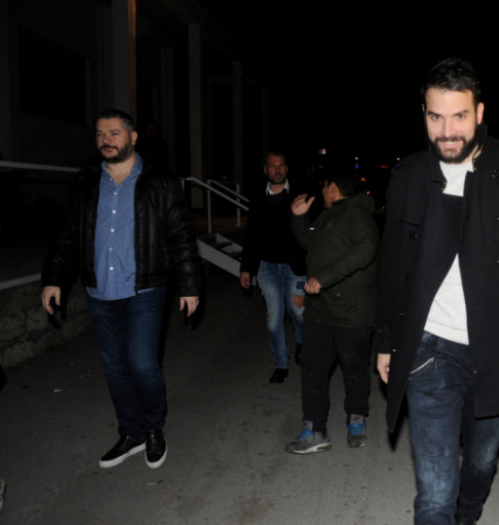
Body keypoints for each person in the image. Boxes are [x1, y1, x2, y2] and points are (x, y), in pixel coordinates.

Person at [374, 58, 499, 525]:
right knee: (435, 491)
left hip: (497, 348)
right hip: (430, 349)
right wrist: (386, 341)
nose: (447, 131)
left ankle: (467, 516)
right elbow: (394, 272)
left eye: (459, 116)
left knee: (482, 462)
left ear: (480, 112)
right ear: (423, 114)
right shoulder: (407, 177)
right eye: (436, 117)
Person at [41, 108, 200, 469]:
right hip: (100, 291)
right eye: (100, 134)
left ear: (133, 138)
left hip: (145, 289)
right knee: (115, 368)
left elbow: (180, 235)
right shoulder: (87, 180)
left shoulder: (159, 181)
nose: (106, 140)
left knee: (142, 364)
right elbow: (68, 233)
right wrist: (52, 278)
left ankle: (153, 429)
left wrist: (190, 285)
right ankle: (131, 433)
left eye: (114, 133)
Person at [285, 173, 378, 453]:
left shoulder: (357, 214)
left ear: (333, 188)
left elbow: (366, 249)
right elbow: (309, 242)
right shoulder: (327, 215)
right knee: (312, 370)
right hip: (320, 310)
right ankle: (315, 429)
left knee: (354, 369)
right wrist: (299, 218)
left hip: (351, 311)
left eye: (324, 187)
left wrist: (323, 278)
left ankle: (356, 419)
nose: (322, 192)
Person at [239, 151, 308, 383]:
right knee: (273, 318)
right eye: (272, 166)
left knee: (298, 312)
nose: (277, 170)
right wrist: (246, 268)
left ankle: (302, 342)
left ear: (286, 168)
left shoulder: (300, 195)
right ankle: (280, 364)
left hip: (295, 268)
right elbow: (251, 234)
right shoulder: (258, 197)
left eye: (281, 165)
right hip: (267, 268)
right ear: (265, 170)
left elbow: (311, 232)